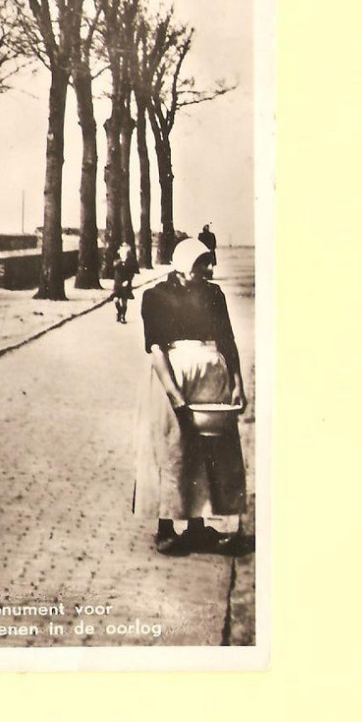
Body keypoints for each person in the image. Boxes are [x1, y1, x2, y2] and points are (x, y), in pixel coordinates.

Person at [132, 237, 247, 555]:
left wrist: (237, 383)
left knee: (209, 450)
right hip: (173, 378)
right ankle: (166, 527)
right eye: (202, 263)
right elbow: (156, 347)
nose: (209, 268)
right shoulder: (155, 296)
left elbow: (227, 339)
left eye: (210, 261)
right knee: (172, 449)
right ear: (184, 265)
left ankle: (197, 525)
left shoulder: (213, 294)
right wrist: (174, 393)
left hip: (211, 379)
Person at [112, 243, 138, 324]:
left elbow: (132, 273)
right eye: (122, 251)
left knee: (124, 302)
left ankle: (123, 316)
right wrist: (121, 260)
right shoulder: (117, 260)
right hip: (117, 284)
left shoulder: (130, 261)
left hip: (126, 284)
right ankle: (119, 312)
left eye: (125, 251)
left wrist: (128, 281)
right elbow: (114, 266)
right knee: (115, 300)